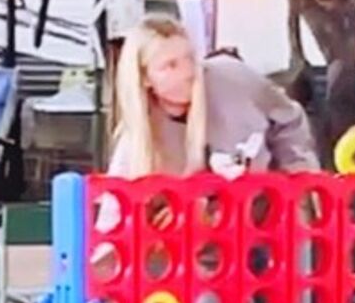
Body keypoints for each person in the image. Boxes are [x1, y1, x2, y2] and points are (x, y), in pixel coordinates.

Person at [107, 15, 318, 180]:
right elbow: (114, 208)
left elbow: (289, 118)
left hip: (266, 214)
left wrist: (296, 181)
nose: (188, 72)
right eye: (171, 66)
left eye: (190, 58)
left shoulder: (233, 79)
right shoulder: (140, 137)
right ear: (145, 78)